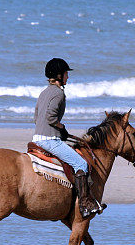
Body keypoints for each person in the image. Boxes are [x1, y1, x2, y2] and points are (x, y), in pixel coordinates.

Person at [33, 58, 103, 218]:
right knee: (81, 163)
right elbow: (50, 117)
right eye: (66, 74)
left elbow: (36, 118)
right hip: (49, 140)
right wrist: (61, 127)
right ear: (59, 75)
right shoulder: (58, 93)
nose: (68, 77)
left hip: (37, 137)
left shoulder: (44, 92)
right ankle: (85, 205)